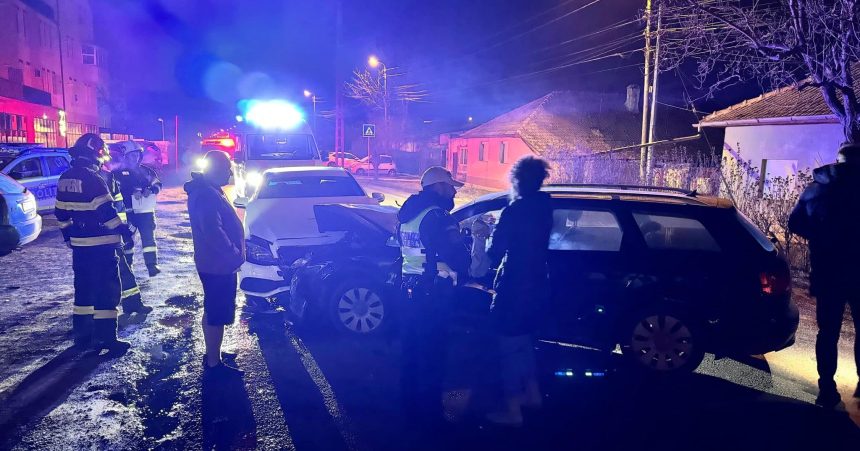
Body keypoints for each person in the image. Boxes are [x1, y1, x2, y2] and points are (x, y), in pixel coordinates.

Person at [789, 142, 860, 408]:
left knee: (828, 332)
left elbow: (795, 223)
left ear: (837, 162)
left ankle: (826, 389)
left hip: (828, 271)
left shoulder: (816, 189)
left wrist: (821, 237)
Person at [397, 166, 470, 420]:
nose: (454, 193)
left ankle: (409, 409)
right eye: (451, 187)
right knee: (433, 353)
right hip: (433, 294)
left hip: (409, 291)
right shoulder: (438, 217)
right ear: (438, 187)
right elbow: (459, 259)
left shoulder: (408, 215)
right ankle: (431, 416)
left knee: (411, 352)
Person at [485, 156, 554, 426]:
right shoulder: (544, 207)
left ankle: (513, 410)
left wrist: (487, 234)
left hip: (514, 286)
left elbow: (495, 251)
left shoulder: (515, 211)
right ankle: (533, 395)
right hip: (537, 284)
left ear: (517, 181)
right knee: (524, 343)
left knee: (509, 346)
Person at [55, 133, 132, 355]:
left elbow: (60, 213)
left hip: (80, 247)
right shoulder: (94, 179)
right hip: (102, 246)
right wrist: (125, 232)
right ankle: (106, 338)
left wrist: (68, 237)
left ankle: (83, 337)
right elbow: (107, 213)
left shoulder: (65, 177)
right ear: (95, 154)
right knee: (107, 292)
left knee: (83, 292)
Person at [185, 151, 245, 373]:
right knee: (217, 313)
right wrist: (233, 254)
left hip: (215, 262)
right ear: (216, 169)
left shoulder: (209, 190)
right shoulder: (207, 194)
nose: (230, 173)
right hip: (218, 264)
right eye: (227, 168)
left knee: (213, 309)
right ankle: (213, 362)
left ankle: (214, 352)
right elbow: (213, 231)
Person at [100, 155, 151, 317]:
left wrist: (125, 230)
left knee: (124, 270)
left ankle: (132, 305)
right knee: (113, 273)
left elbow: (118, 206)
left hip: (113, 234)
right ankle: (104, 312)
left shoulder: (108, 177)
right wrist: (123, 230)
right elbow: (107, 211)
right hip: (103, 237)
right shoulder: (99, 179)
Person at [113, 141, 163, 277]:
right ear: (125, 156)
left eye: (137, 155)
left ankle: (152, 265)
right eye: (131, 155)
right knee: (127, 241)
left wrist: (151, 190)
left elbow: (157, 184)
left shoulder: (146, 171)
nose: (135, 158)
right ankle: (127, 268)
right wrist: (131, 192)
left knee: (149, 239)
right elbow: (114, 192)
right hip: (128, 213)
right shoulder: (117, 174)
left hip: (145, 212)